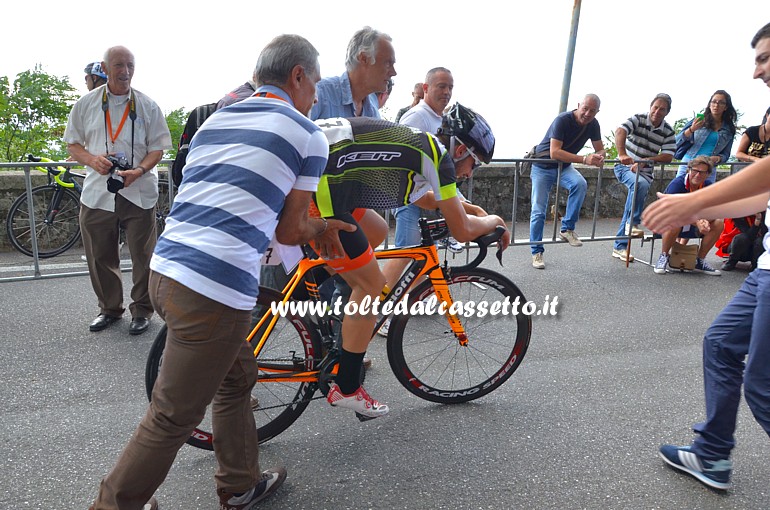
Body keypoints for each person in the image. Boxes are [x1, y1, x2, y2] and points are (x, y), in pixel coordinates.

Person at [88, 35, 347, 510]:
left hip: (166, 269)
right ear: (297, 76)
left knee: (236, 375)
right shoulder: (307, 134)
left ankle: (240, 482)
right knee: (171, 417)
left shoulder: (219, 119)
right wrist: (324, 226)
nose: (315, 96)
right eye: (313, 84)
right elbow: (291, 231)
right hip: (215, 288)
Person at [310, 104, 510, 419]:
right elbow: (461, 230)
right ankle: (347, 387)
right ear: (460, 149)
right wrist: (494, 220)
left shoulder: (421, 147)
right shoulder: (437, 155)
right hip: (317, 187)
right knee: (372, 285)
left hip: (323, 177)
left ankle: (327, 291)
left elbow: (426, 197)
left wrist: (472, 210)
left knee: (375, 230)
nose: (471, 173)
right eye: (475, 164)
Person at [645, 23, 770, 491]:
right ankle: (713, 456)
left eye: (764, 58)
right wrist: (692, 207)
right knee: (720, 344)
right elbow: (762, 196)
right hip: (765, 271)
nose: (756, 71)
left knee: (762, 385)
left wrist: (694, 202)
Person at [64, 46, 171, 336]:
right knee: (100, 256)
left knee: (143, 256)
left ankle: (142, 311)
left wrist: (139, 170)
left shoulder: (148, 106)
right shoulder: (85, 104)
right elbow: (73, 144)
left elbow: (158, 148)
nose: (125, 71)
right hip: (98, 191)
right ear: (105, 67)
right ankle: (109, 308)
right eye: (119, 65)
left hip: (138, 191)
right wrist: (91, 160)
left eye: (129, 65)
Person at [528, 94, 605, 269]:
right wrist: (585, 159)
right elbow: (555, 152)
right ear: (578, 105)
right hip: (543, 165)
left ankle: (567, 228)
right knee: (538, 211)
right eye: (585, 108)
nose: (587, 113)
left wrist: (600, 156)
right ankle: (536, 252)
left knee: (580, 184)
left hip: (564, 167)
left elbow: (600, 148)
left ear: (597, 112)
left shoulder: (593, 124)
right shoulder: (562, 120)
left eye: (592, 111)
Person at [611, 93, 676, 262]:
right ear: (650, 107)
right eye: (655, 107)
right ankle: (631, 225)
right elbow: (620, 131)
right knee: (639, 185)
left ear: (667, 112)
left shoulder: (668, 131)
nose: (657, 111)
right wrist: (622, 154)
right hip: (624, 167)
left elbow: (669, 155)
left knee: (641, 186)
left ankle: (621, 244)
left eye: (662, 109)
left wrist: (646, 160)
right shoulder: (638, 119)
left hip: (645, 171)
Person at [652, 156, 724, 275]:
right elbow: (671, 210)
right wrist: (697, 222)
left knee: (719, 222)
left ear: (708, 174)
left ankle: (699, 260)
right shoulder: (678, 184)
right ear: (688, 170)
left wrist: (706, 221)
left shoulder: (708, 186)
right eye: (695, 171)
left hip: (692, 225)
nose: (697, 175)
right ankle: (664, 256)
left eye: (702, 172)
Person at [310, 26, 396, 120]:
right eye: (388, 63)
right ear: (364, 59)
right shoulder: (320, 94)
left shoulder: (372, 110)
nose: (394, 72)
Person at [674, 90, 737, 180]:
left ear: (726, 107)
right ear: (709, 104)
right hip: (689, 163)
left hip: (709, 167)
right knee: (680, 191)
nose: (716, 105)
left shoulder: (729, 129)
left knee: (706, 193)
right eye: (714, 102)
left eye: (721, 103)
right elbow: (676, 141)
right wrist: (692, 129)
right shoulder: (699, 120)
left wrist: (718, 158)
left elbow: (726, 154)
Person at [398, 67, 454, 131]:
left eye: (450, 88)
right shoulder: (416, 117)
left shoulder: (448, 120)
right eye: (441, 87)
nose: (447, 92)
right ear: (425, 88)